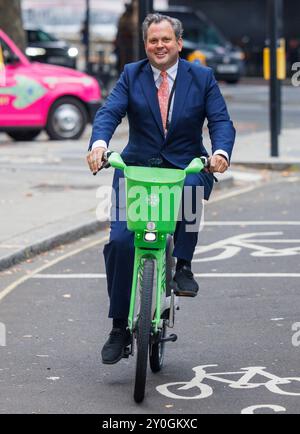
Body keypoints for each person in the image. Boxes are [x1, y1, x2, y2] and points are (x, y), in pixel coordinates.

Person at [86, 13, 235, 365]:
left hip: (184, 164)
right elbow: (109, 112)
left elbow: (220, 121)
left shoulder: (202, 77)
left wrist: (219, 152)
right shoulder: (131, 74)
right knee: (121, 242)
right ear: (146, 44)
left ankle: (182, 264)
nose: (159, 46)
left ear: (179, 43)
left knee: (192, 186)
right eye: (153, 40)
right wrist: (98, 144)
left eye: (166, 39)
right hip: (137, 169)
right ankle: (119, 327)